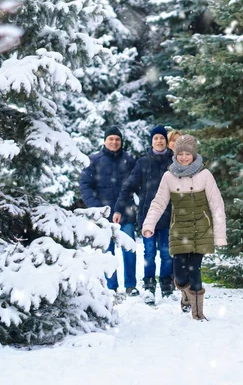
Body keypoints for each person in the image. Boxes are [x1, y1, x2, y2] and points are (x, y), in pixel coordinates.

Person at [142, 135, 227, 320]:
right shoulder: (169, 176)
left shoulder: (205, 175)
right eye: (180, 153)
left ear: (194, 154)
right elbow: (158, 203)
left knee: (194, 269)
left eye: (188, 153)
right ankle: (185, 294)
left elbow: (217, 205)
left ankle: (198, 313)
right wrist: (149, 224)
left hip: (201, 229)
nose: (184, 157)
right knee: (180, 273)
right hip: (179, 229)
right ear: (175, 154)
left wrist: (220, 236)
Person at [113, 126, 174, 305]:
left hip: (170, 215)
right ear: (151, 141)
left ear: (166, 141)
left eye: (162, 138)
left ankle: (167, 287)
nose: (159, 141)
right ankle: (149, 287)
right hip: (148, 217)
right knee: (149, 253)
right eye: (156, 138)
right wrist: (118, 209)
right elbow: (128, 186)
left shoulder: (174, 161)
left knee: (167, 254)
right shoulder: (143, 162)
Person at [79, 126, 139, 297]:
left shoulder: (129, 160)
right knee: (107, 252)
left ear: (121, 141)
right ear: (105, 140)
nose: (114, 142)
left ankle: (131, 285)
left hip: (125, 213)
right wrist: (97, 208)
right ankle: (111, 286)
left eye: (117, 139)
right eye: (111, 139)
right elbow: (85, 185)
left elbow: (137, 183)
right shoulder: (94, 160)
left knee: (129, 251)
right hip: (104, 217)